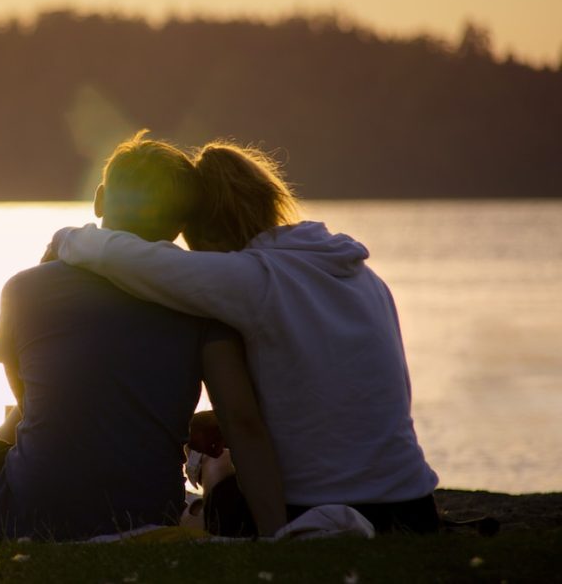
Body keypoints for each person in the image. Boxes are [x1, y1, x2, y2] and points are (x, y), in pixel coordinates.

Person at [0, 132, 286, 542]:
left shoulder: (25, 288)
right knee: (10, 449)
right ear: (181, 222)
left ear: (101, 199)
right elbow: (240, 419)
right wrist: (277, 535)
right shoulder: (201, 302)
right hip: (149, 513)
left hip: (26, 518)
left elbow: (34, 405)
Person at [52, 139, 440, 535]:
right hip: (412, 507)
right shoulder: (360, 274)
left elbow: (131, 259)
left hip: (314, 508)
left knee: (215, 464)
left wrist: (67, 238)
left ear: (201, 228)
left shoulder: (252, 277)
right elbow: (342, 391)